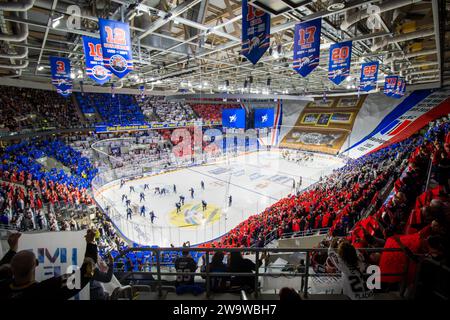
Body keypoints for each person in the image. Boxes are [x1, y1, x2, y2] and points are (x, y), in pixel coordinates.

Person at [0, 230, 96, 299]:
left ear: (11, 269)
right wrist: (90, 243)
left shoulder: (3, 287)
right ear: (36, 265)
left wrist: (12, 250)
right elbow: (84, 274)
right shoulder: (45, 290)